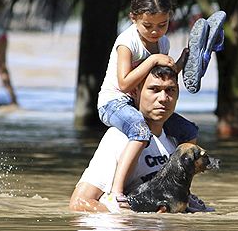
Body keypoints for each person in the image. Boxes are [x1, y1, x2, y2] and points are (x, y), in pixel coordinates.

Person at [97, 0, 199, 204]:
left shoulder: (163, 42)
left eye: (162, 25)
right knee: (139, 130)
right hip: (114, 103)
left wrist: (182, 61)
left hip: (140, 102)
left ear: (170, 18)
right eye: (148, 26)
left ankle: (182, 189)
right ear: (133, 18)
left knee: (189, 131)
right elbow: (124, 84)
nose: (155, 31)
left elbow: (161, 78)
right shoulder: (127, 42)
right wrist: (152, 59)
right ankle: (117, 190)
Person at [70, 65, 212, 213]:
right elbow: (79, 202)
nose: (163, 98)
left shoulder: (175, 141)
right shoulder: (119, 138)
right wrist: (133, 220)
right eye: (154, 90)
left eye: (170, 90)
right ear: (135, 92)